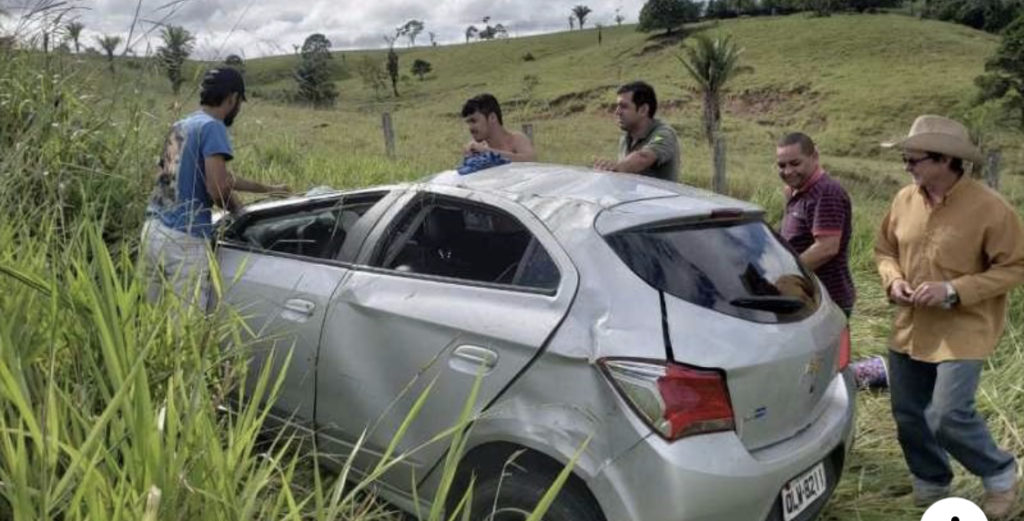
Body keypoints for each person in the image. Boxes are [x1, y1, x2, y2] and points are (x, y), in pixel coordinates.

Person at [875, 115, 1024, 518]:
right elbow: (885, 250)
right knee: (908, 413)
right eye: (906, 159)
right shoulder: (903, 200)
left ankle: (1000, 475)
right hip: (909, 327)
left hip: (964, 329)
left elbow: (1015, 267)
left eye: (914, 160)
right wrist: (893, 281)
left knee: (947, 414)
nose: (907, 167)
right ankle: (931, 484)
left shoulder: (991, 208)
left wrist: (954, 290)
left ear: (945, 160)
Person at [142, 67, 289, 310]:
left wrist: (269, 188)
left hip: (153, 231)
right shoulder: (213, 127)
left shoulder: (181, 125)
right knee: (186, 323)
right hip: (184, 240)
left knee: (151, 315)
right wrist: (239, 212)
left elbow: (167, 175)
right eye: (239, 102)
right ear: (232, 98)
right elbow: (218, 187)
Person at [776, 132, 855, 317]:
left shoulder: (826, 192)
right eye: (782, 165)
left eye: (795, 163)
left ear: (814, 157)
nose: (788, 171)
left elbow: (827, 248)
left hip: (824, 302)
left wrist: (785, 273)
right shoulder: (796, 191)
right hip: (806, 298)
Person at [593, 81, 679, 182]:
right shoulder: (626, 136)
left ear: (643, 110)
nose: (617, 112)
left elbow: (644, 157)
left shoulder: (662, 135)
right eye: (617, 106)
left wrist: (616, 168)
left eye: (624, 106)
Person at [461, 94, 536, 162]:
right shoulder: (479, 151)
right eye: (468, 123)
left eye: (473, 121)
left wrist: (488, 153)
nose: (470, 128)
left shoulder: (517, 140)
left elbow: (530, 161)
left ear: (492, 118)